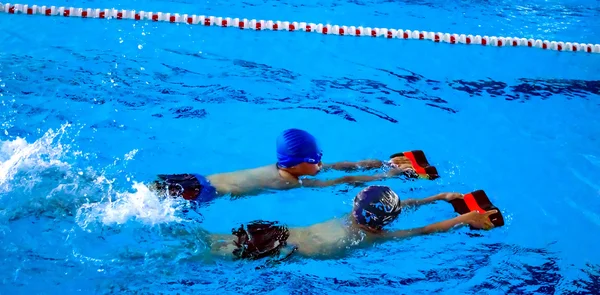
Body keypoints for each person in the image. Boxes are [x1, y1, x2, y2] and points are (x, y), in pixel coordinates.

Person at [206, 185, 498, 262]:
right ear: (382, 224)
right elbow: (423, 230)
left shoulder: (355, 217)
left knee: (210, 241)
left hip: (276, 233)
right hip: (280, 250)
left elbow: (396, 208)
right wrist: (465, 218)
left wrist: (437, 197)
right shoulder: (372, 238)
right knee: (210, 256)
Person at [149, 128, 432, 203]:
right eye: (314, 160)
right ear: (297, 165)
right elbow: (341, 182)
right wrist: (390, 175)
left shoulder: (288, 167)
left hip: (196, 180)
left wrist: (378, 162)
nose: (320, 163)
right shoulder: (285, 181)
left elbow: (333, 167)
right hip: (197, 194)